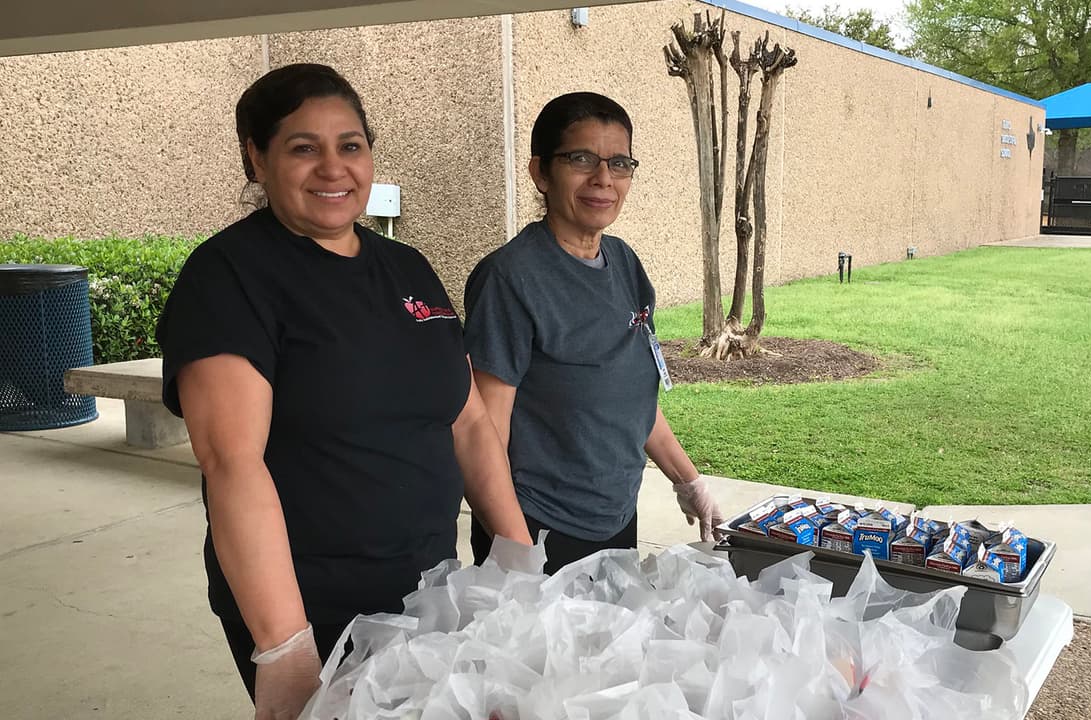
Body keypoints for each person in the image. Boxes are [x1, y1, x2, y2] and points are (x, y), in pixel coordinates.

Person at [156, 63, 531, 719]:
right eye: (304, 147)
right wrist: (286, 651)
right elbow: (231, 462)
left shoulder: (405, 267)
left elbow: (468, 422)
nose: (333, 167)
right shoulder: (229, 278)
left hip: (430, 588)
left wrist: (519, 560)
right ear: (257, 158)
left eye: (350, 145)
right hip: (316, 607)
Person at [463, 91, 723, 575]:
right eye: (581, 159)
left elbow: (631, 397)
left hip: (615, 517)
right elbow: (484, 434)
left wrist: (688, 482)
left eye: (619, 163)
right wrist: (517, 554)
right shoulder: (510, 279)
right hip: (538, 527)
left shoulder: (624, 263)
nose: (603, 179)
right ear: (541, 172)